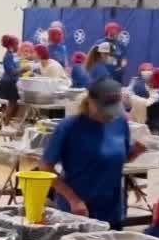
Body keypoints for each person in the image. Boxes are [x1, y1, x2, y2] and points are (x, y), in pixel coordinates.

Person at [40, 79, 143, 229]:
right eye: (104, 110)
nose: (109, 115)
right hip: (78, 210)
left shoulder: (120, 123)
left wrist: (136, 151)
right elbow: (45, 168)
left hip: (111, 208)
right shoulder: (69, 127)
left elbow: (118, 160)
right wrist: (73, 199)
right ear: (90, 102)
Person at [0, 35, 21, 126]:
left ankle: (7, 122)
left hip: (11, 81)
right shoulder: (8, 56)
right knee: (12, 103)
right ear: (12, 45)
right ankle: (6, 123)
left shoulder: (12, 55)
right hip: (9, 83)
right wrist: (24, 69)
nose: (18, 47)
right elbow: (12, 72)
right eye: (17, 45)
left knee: (14, 104)